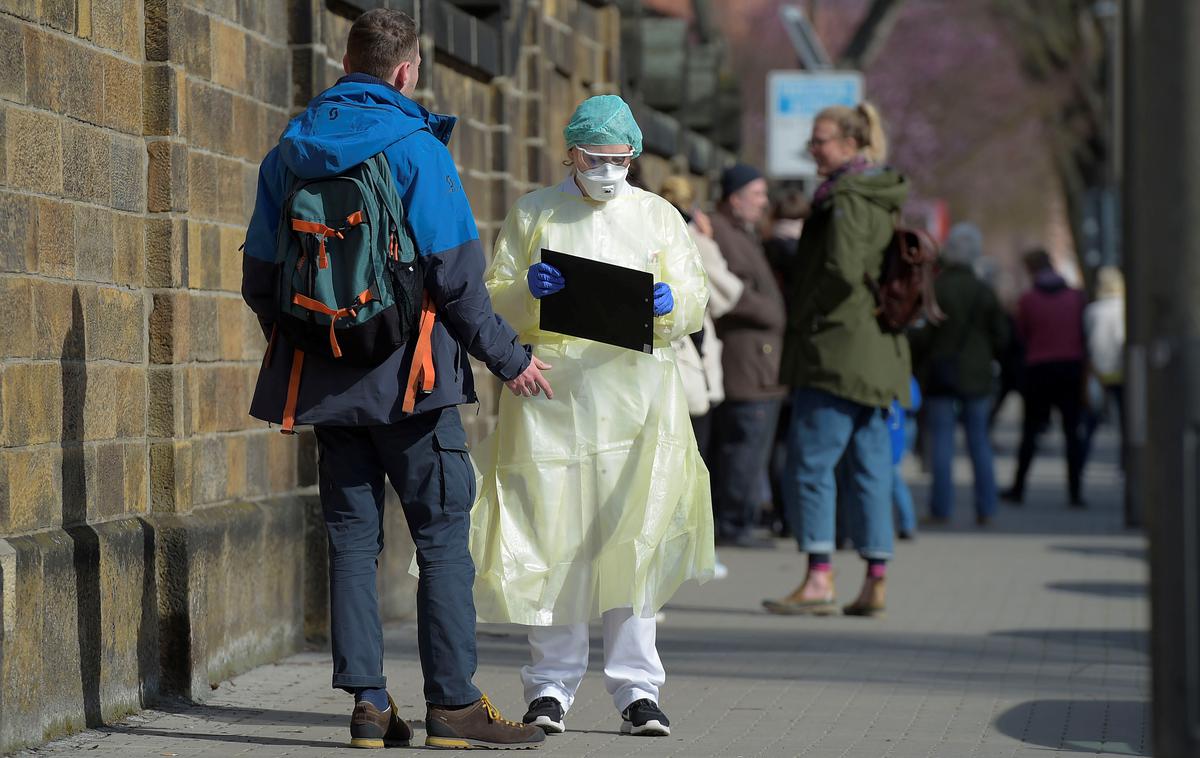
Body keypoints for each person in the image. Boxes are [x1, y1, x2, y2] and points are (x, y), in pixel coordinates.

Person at [239, 9, 548, 750]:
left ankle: (369, 709)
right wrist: (511, 360)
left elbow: (259, 279)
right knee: (441, 539)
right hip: (414, 386)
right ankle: (452, 705)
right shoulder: (416, 149)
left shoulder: (288, 153)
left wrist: (321, 343)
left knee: (351, 544)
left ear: (346, 64)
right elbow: (460, 281)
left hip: (327, 389)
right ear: (406, 73)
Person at [469, 95, 714, 738]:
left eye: (620, 160)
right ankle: (550, 687)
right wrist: (528, 290)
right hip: (555, 400)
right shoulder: (535, 213)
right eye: (595, 159)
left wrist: (671, 302)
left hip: (636, 403)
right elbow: (495, 297)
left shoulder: (658, 216)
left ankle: (638, 689)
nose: (608, 170)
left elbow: (694, 296)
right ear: (571, 154)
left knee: (632, 541)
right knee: (552, 539)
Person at [762, 103, 910, 618]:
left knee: (811, 463)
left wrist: (807, 313)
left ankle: (819, 577)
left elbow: (843, 271)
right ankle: (875, 579)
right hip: (877, 352)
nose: (813, 148)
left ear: (850, 143)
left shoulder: (844, 195)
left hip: (837, 350)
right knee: (871, 468)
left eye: (821, 139)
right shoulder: (880, 191)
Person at [660, 175, 744, 580]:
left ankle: (685, 554)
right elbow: (727, 293)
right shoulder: (686, 234)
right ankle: (689, 555)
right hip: (685, 362)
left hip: (674, 361)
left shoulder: (650, 224)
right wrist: (707, 240)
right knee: (691, 464)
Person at [909, 223, 1010, 526]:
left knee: (942, 444)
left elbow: (922, 336)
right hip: (977, 377)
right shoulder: (984, 291)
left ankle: (941, 508)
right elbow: (1001, 335)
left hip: (941, 375)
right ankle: (986, 508)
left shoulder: (936, 289)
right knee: (979, 442)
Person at [709, 163, 788, 548]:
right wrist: (774, 312)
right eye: (757, 194)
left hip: (759, 361)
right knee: (742, 448)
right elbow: (730, 289)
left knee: (750, 448)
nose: (764, 202)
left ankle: (737, 520)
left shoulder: (741, 232)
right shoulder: (722, 232)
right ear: (734, 197)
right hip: (746, 363)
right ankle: (733, 524)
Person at [1001, 249, 1089, 507]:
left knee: (1030, 432)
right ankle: (1075, 492)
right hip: (1071, 368)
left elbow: (1021, 335)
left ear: (1032, 271)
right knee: (1072, 433)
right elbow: (1083, 336)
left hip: (1039, 369)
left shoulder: (1028, 300)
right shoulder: (1076, 297)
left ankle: (1019, 488)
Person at [1082, 266, 1126, 465]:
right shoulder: (1124, 309)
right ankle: (1126, 464)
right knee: (1126, 423)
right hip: (1121, 370)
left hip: (1099, 371)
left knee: (1090, 423)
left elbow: (1089, 342)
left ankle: (1081, 464)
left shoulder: (1093, 310)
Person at [889, 378, 922, 540]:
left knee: (894, 483)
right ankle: (906, 524)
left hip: (892, 440)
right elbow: (915, 403)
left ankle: (907, 524)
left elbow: (914, 403)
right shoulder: (905, 377)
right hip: (898, 436)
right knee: (895, 482)